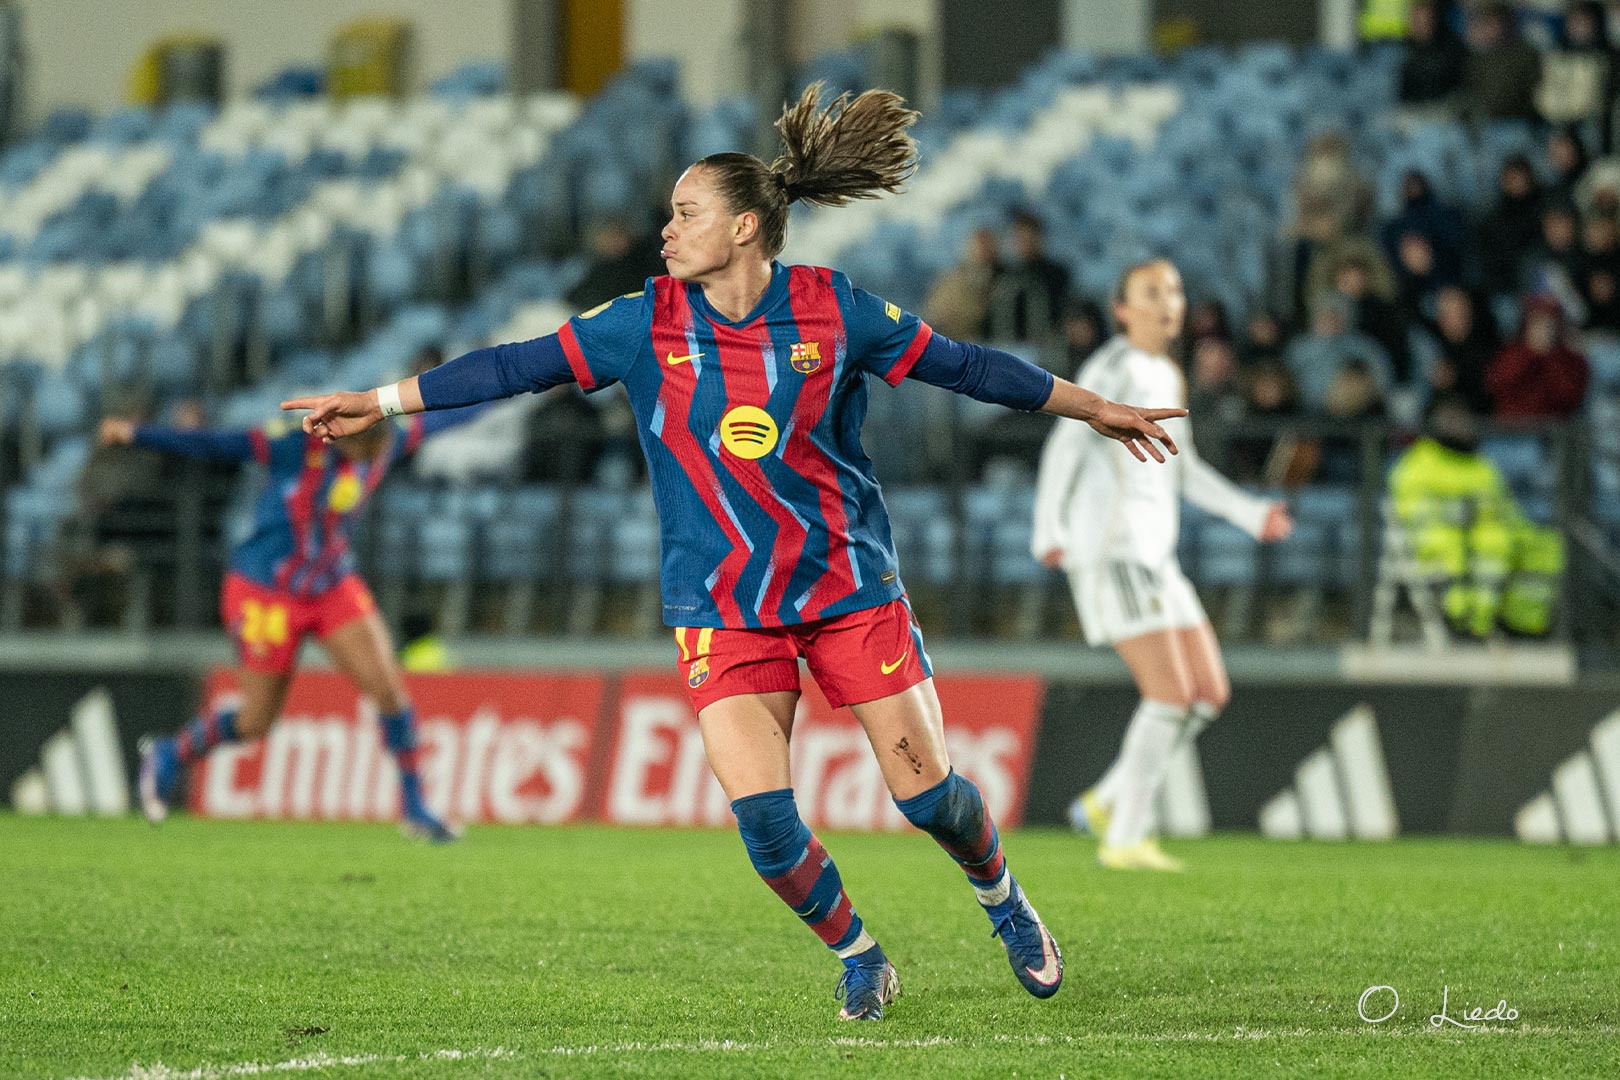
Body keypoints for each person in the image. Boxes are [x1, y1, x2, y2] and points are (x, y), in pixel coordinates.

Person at [283, 84, 1185, 1021]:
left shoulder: (834, 309)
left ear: (746, 226)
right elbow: (515, 365)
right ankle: (861, 956)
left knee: (926, 798)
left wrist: (1092, 407)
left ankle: (1005, 902)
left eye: (686, 213)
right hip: (721, 604)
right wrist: (378, 402)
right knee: (764, 823)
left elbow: (965, 367)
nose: (666, 230)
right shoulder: (644, 321)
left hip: (847, 587)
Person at [103, 400, 484, 842]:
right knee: (256, 720)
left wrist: (519, 384)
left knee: (390, 693)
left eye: (374, 451)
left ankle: (416, 808)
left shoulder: (392, 438)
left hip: (331, 583)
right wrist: (138, 434)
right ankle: (172, 752)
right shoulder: (293, 444)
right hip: (265, 589)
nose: (367, 459)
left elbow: (448, 412)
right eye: (360, 450)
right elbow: (218, 445)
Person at [1030, 259, 1293, 872]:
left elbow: (1183, 468)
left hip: (1156, 556)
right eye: (1152, 292)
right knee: (1171, 695)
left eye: (1174, 290)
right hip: (1114, 551)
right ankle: (1124, 837)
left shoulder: (1167, 374)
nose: (1168, 302)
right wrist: (1049, 528)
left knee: (1207, 694)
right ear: (1122, 310)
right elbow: (1065, 444)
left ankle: (1106, 801)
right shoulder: (1111, 369)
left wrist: (1250, 514)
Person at [1389, 395, 1564, 637]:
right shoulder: (1417, 462)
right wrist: (1471, 517)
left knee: (1545, 544)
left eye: (1463, 419)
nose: (1460, 426)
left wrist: (1514, 527)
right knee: (1490, 542)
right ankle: (1467, 622)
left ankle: (1524, 624)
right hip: (1439, 540)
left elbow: (1506, 508)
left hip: (1488, 530)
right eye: (1451, 419)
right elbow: (1416, 513)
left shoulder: (1481, 465)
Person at [1486, 295, 1591, 419]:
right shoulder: (1509, 354)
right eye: (1537, 323)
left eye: (1549, 324)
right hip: (1513, 427)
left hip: (1554, 427)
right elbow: (1497, 385)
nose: (1543, 330)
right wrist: (1530, 355)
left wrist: (1550, 358)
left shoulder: (1571, 360)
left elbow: (1571, 396)